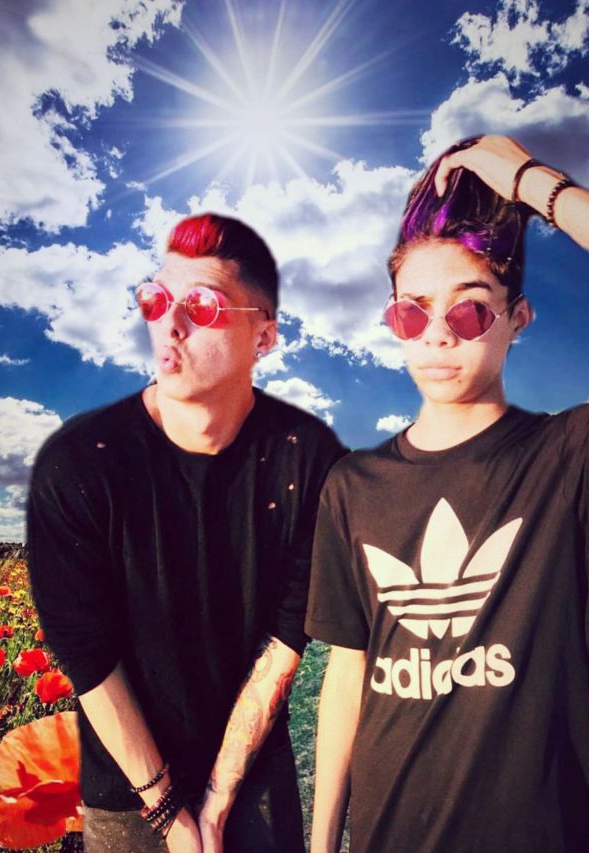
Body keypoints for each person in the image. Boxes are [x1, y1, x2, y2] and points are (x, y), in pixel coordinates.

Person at [305, 135, 589, 852]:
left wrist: (527, 179)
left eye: (470, 310)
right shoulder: (352, 485)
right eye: (412, 312)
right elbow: (348, 676)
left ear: (518, 318)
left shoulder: (576, 458)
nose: (437, 334)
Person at [27, 213, 345, 853]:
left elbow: (287, 635)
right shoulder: (80, 461)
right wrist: (170, 813)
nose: (168, 324)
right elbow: (87, 653)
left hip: (253, 779)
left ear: (264, 335)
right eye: (156, 299)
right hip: (128, 789)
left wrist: (221, 798)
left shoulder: (306, 457)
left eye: (200, 305)